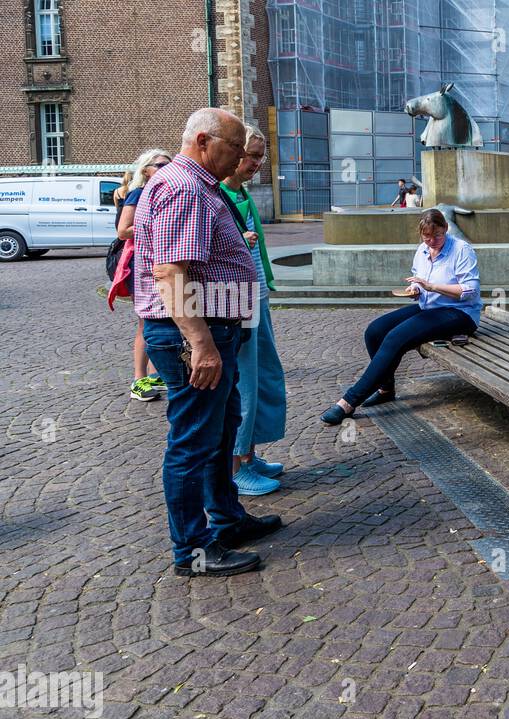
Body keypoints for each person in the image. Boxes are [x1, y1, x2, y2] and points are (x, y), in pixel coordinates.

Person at [134, 107, 282, 578]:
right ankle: (193, 550)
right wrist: (200, 344)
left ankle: (227, 520)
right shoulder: (185, 189)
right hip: (195, 334)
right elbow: (170, 273)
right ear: (203, 141)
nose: (241, 156)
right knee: (192, 441)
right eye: (235, 147)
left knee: (218, 434)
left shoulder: (197, 185)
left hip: (215, 327)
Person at [321, 208, 480, 424]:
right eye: (427, 237)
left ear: (446, 229)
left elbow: (469, 290)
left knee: (396, 338)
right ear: (421, 234)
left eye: (438, 236)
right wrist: (416, 289)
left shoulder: (461, 249)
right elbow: (419, 279)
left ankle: (348, 402)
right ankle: (386, 389)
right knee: (375, 331)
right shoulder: (422, 251)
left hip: (459, 313)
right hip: (429, 306)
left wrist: (431, 286)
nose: (433, 241)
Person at [220, 125, 288, 497]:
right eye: (252, 156)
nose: (257, 164)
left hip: (256, 296)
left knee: (263, 377)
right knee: (243, 385)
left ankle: (249, 456)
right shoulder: (219, 194)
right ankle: (233, 467)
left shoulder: (240, 192)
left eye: (261, 157)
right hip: (238, 303)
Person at [117, 148, 172, 402]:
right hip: (141, 265)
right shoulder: (138, 193)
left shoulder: (162, 192)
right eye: (159, 165)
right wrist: (158, 226)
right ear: (145, 170)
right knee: (146, 323)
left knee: (161, 318)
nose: (164, 169)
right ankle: (138, 380)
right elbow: (123, 230)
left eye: (168, 165)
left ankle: (154, 374)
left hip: (157, 264)